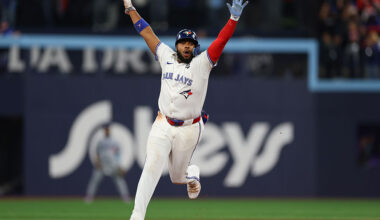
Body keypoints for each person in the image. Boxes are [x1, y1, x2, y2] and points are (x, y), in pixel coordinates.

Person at [122, 0, 248, 219]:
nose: (187, 46)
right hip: (162, 123)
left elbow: (221, 40)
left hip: (188, 128)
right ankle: (137, 216)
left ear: (195, 47)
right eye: (183, 43)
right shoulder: (166, 56)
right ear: (177, 45)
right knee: (151, 166)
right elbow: (147, 32)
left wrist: (233, 19)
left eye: (191, 43)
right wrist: (131, 10)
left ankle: (191, 174)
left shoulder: (203, 64)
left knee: (177, 178)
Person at [85, 123, 130, 203]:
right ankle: (89, 197)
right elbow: (97, 153)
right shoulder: (101, 142)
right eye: (105, 130)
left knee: (120, 182)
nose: (107, 131)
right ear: (104, 131)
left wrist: (119, 166)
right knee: (94, 181)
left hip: (113, 166)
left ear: (110, 131)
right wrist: (97, 162)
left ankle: (125, 198)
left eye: (108, 130)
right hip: (102, 165)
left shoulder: (115, 142)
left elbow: (118, 154)